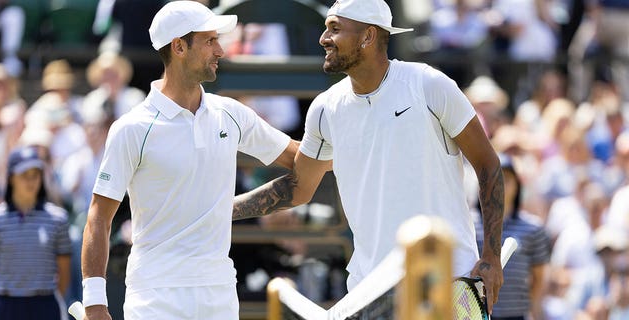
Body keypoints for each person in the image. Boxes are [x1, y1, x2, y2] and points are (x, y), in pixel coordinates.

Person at [233, 0, 505, 314]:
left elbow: (488, 164)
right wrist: (225, 209)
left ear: (368, 36)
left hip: (447, 283)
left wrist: (491, 257)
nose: (323, 38)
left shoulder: (430, 85)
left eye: (334, 29)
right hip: (370, 291)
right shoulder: (325, 109)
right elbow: (299, 186)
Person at [79, 1, 297, 320]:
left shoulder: (231, 114)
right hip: (154, 297)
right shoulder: (131, 128)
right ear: (179, 47)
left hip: (219, 295)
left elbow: (300, 156)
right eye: (210, 41)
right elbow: (99, 218)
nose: (220, 50)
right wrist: (95, 304)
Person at [0, 146, 72, 320]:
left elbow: (64, 272)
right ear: (11, 178)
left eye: (35, 175)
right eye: (24, 175)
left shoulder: (58, 219)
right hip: (5, 307)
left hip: (45, 305)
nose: (31, 181)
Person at [473, 155, 551, 320]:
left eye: (507, 179)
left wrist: (532, 308)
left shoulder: (533, 229)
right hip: (477, 314)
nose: (500, 185)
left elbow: (539, 277)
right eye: (496, 178)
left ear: (517, 186)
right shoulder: (469, 225)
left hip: (516, 314)